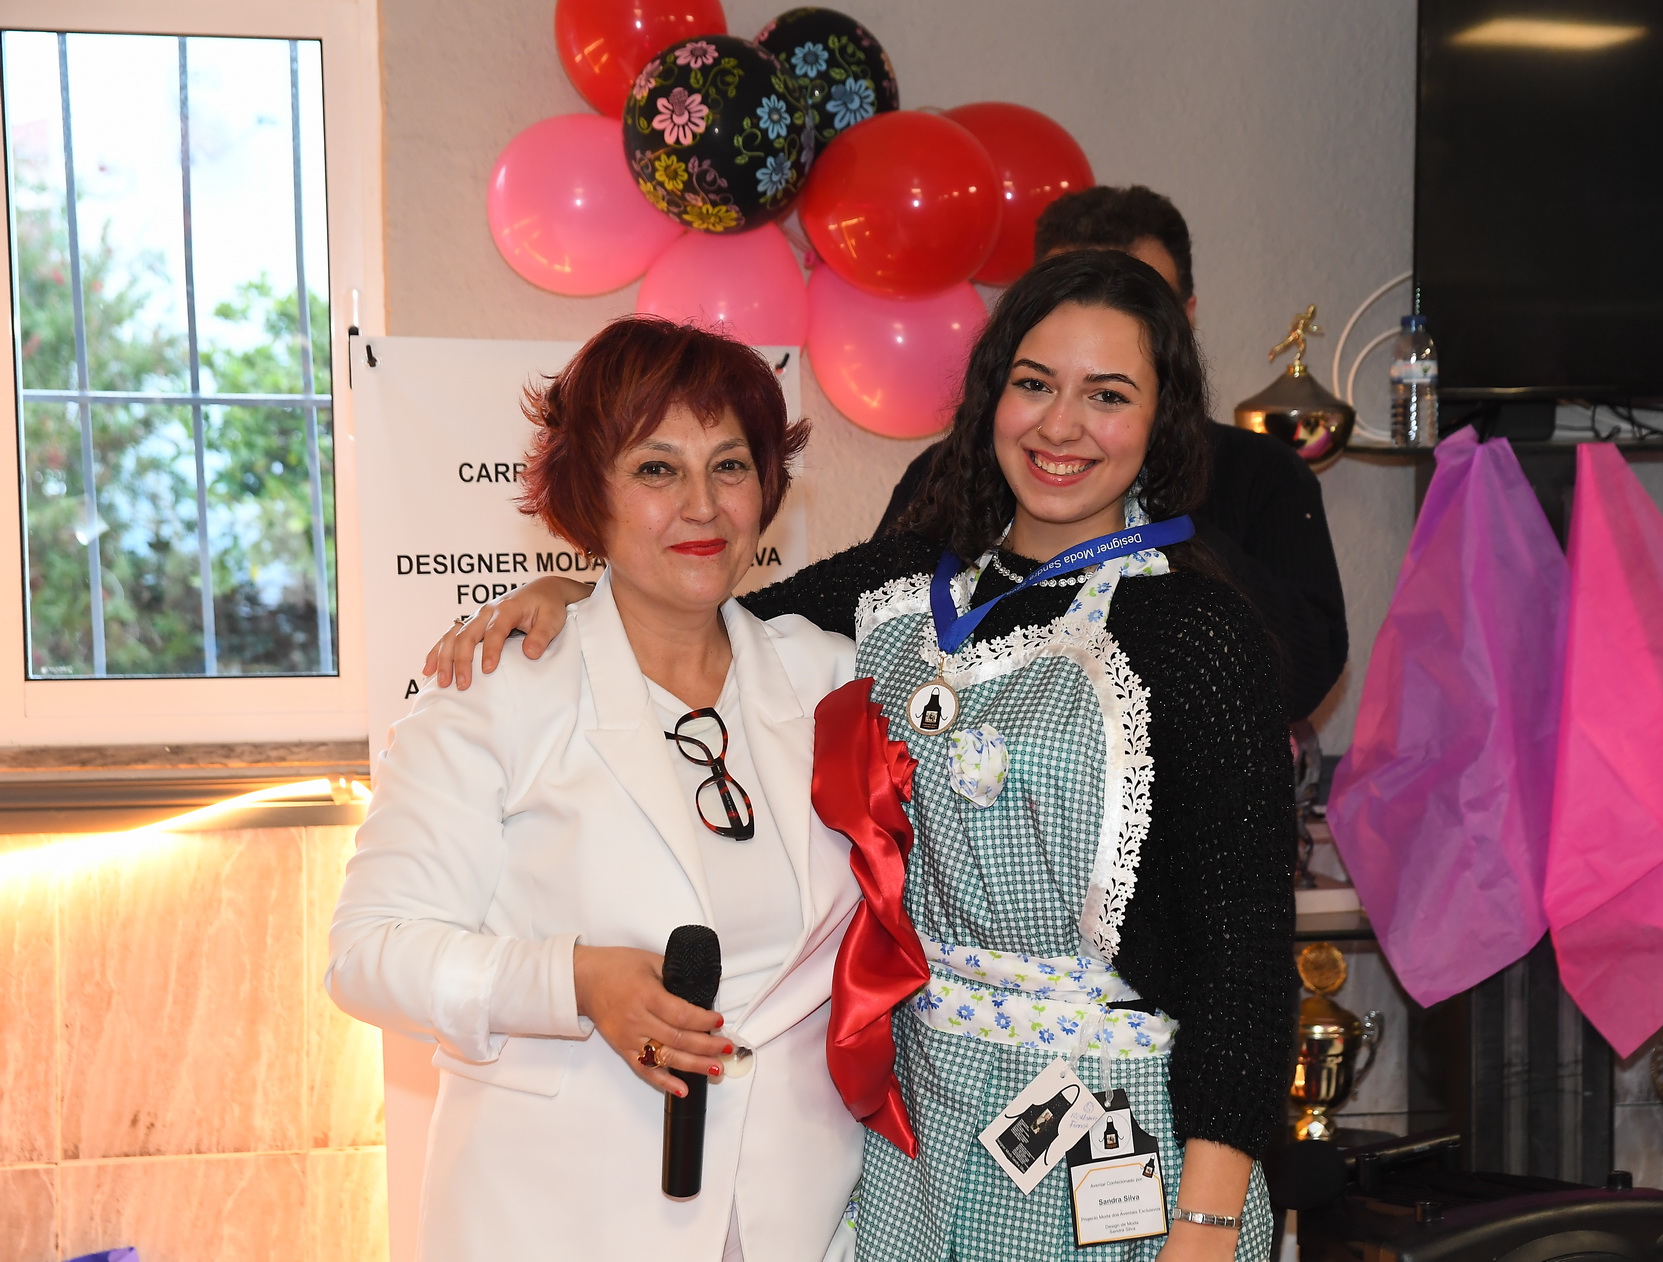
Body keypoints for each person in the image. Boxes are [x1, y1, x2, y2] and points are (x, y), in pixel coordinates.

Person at [426, 250, 1298, 1262]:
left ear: (1161, 421)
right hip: (913, 1126)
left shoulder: (1198, 634)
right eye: (1034, 383)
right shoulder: (900, 583)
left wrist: (1205, 1222)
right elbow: (704, 612)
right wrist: (570, 595)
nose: (1061, 426)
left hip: (1114, 1132)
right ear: (991, 397)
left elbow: (1246, 953)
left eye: (1108, 395)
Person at [327, 318, 864, 1262]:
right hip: (555, 1216)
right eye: (656, 469)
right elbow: (367, 956)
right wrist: (571, 979)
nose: (701, 505)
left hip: (798, 1217)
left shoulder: (829, 678)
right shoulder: (497, 692)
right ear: (589, 492)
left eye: (730, 467)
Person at [875, 184, 1347, 721]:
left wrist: (1160, 512)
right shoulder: (944, 474)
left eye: (1138, 299)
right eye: (1066, 295)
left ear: (1183, 321)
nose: (1060, 428)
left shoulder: (1262, 473)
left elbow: (1308, 673)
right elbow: (863, 647)